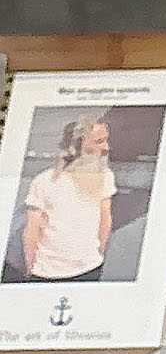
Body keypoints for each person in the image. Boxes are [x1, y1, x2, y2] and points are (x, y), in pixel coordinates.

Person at [17, 119, 117, 284]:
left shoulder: (106, 176)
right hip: (47, 273)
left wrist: (97, 254)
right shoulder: (44, 181)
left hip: (90, 268)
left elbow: (105, 219)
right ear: (78, 146)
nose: (106, 147)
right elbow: (32, 230)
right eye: (99, 141)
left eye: (106, 140)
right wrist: (30, 268)